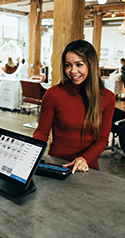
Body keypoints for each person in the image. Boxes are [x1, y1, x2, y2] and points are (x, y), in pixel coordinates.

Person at [33, 40, 115, 173]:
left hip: (87, 168)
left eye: (79, 64)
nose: (73, 71)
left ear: (91, 65)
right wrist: (29, 152)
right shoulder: (53, 94)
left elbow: (102, 140)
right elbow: (42, 133)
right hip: (57, 165)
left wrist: (83, 159)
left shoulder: (107, 97)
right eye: (68, 65)